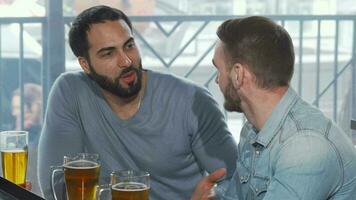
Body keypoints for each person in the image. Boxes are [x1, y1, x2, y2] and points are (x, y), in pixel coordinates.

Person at [38, 5, 237, 200]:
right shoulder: (70, 92)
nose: (125, 61)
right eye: (108, 53)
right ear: (85, 65)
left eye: (129, 46)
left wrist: (214, 195)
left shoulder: (192, 100)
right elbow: (55, 184)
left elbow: (236, 180)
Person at [191, 16, 356, 199]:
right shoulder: (252, 131)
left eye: (218, 70)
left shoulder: (306, 147)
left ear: (238, 74)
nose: (217, 80)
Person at [11, 83, 42, 196]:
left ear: (35, 107)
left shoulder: (40, 134)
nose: (14, 113)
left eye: (18, 108)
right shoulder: (16, 129)